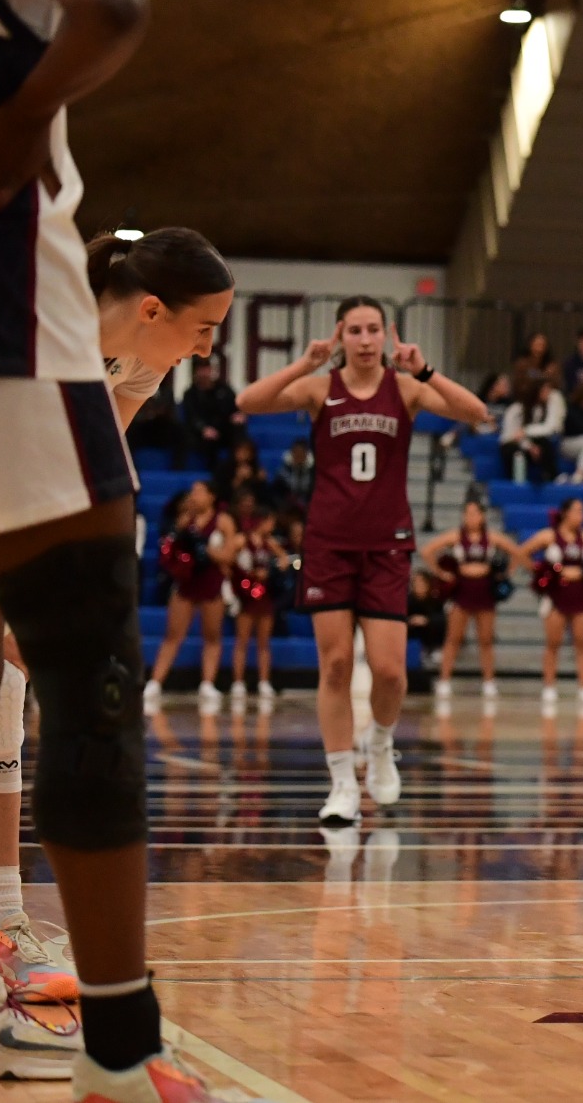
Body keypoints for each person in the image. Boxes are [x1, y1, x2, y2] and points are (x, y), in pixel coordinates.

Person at [0, 219, 231, 1098]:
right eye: (205, 328)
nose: (207, 348)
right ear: (152, 308)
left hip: (17, 486)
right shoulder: (28, 329)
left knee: (4, 689)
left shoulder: (139, 365)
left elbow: (98, 458)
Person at [237, 295, 485, 830]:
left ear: (387, 335)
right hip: (329, 543)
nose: (367, 339)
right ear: (341, 336)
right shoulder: (321, 388)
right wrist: (306, 362)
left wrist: (428, 370)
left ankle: (381, 742)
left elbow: (477, 413)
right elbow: (249, 401)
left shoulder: (407, 388)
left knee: (391, 672)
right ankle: (342, 784)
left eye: (375, 329)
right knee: (336, 665)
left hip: (387, 544)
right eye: (356, 330)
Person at [140, 481, 235, 714]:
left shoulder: (223, 521)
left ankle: (207, 683)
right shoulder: (184, 519)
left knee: (212, 635)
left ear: (212, 496)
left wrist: (208, 550)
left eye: (200, 491)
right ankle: (155, 683)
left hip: (211, 581)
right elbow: (169, 548)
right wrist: (182, 532)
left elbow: (229, 556)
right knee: (173, 634)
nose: (194, 495)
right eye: (192, 491)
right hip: (186, 580)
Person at [420, 500, 524, 704]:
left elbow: (517, 552)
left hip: (484, 591)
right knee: (453, 638)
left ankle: (489, 682)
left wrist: (505, 574)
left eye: (475, 513)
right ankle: (444, 681)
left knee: (485, 639)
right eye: (467, 513)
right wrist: (441, 573)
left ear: (483, 516)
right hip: (462, 590)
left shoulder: (491, 537)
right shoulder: (456, 536)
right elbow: (427, 551)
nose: (471, 518)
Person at [517, 498, 583, 713]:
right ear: (565, 513)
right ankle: (549, 686)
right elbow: (522, 552)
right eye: (578, 510)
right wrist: (541, 571)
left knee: (582, 643)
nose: (582, 515)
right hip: (557, 595)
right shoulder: (549, 536)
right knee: (553, 643)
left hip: (581, 595)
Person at [229, 494, 289, 707]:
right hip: (246, 595)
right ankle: (238, 682)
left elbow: (284, 559)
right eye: (270, 522)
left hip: (264, 595)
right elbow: (228, 560)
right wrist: (243, 577)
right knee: (242, 640)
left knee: (264, 642)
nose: (272, 526)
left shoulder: (269, 542)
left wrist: (273, 569)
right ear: (262, 521)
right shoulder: (242, 540)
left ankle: (264, 681)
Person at [179, 356, 242, 472]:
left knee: (238, 428)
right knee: (206, 439)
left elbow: (236, 407)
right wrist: (203, 429)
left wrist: (238, 414)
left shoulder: (224, 389)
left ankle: (238, 466)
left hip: (223, 429)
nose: (204, 372)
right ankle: (213, 472)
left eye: (206, 368)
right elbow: (192, 418)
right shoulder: (190, 394)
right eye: (200, 369)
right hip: (202, 433)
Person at [499, 374, 562, 485]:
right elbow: (512, 436)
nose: (548, 394)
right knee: (515, 452)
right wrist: (529, 447)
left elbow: (546, 429)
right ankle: (518, 483)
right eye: (545, 390)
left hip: (528, 445)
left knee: (545, 443)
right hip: (511, 444)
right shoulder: (516, 409)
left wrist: (531, 446)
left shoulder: (539, 410)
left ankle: (551, 478)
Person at [272, 438, 313, 511]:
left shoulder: (313, 472)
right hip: (286, 508)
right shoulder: (283, 472)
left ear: (306, 454)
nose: (298, 456)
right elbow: (276, 493)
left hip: (308, 507)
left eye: (301, 453)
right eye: (296, 452)